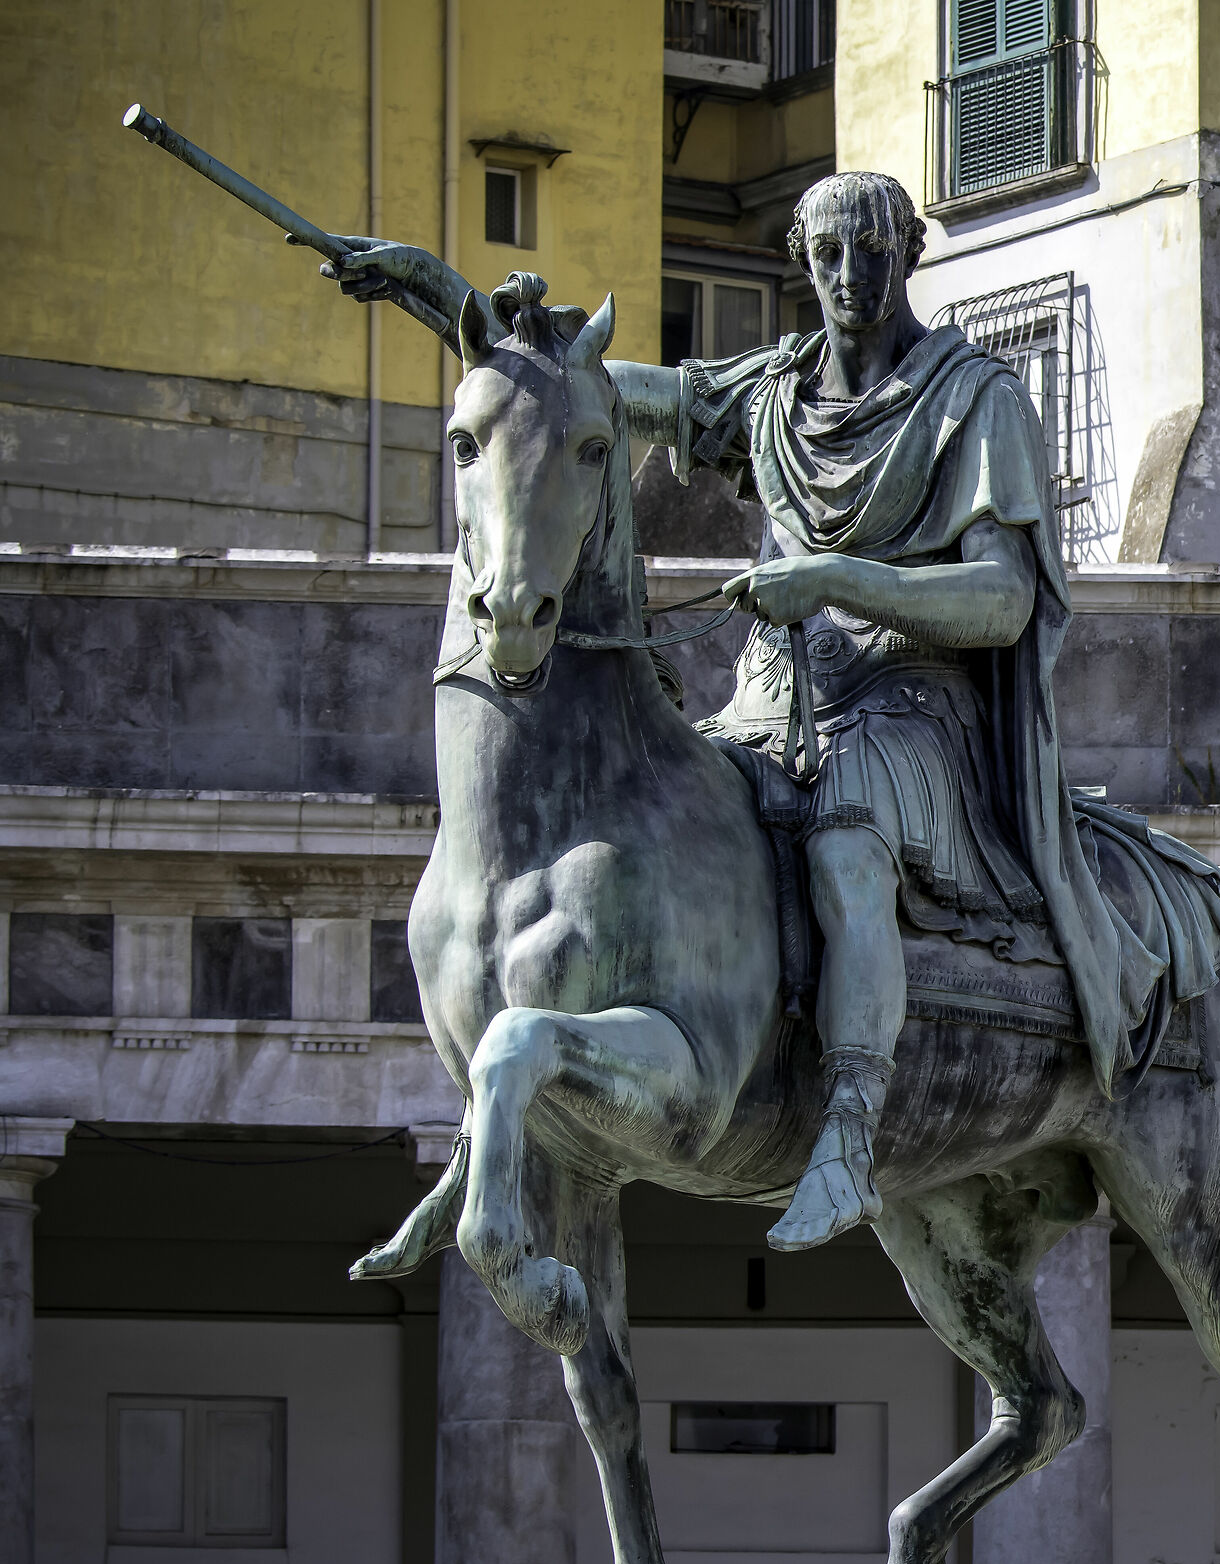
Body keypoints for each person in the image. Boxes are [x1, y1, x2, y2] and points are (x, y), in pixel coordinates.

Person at [311, 171, 1164, 1251]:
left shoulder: (976, 400)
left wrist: (835, 583)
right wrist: (437, 296)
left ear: (910, 256)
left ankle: (849, 1137)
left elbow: (1002, 599)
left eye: (873, 254)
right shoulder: (773, 393)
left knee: (848, 855)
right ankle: (499, 1128)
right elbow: (584, 389)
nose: (851, 279)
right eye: (828, 257)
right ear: (803, 265)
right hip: (772, 704)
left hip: (912, 707)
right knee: (652, 828)